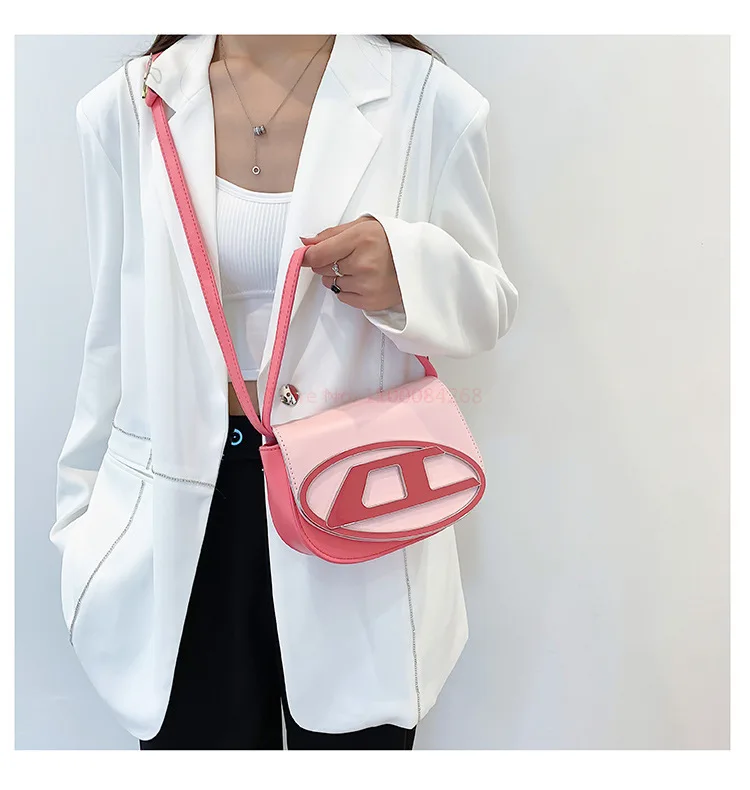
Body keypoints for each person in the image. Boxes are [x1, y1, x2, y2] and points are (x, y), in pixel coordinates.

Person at [50, 33, 519, 750]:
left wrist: (405, 271)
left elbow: (490, 304)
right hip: (180, 513)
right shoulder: (128, 106)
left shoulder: (427, 99)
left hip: (352, 498)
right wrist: (82, 524)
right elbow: (109, 333)